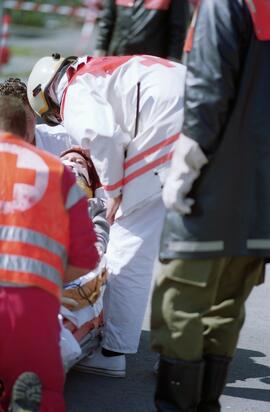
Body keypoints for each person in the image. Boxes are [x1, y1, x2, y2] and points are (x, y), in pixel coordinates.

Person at [27, 53, 186, 377]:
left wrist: (114, 191)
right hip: (208, 117)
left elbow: (104, 136)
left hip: (168, 133)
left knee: (128, 251)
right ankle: (185, 357)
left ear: (49, 94)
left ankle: (113, 352)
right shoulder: (106, 70)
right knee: (193, 252)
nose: (58, 116)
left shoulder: (75, 89)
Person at [150, 0, 270, 410]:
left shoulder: (226, 4)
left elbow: (208, 87)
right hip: (260, 199)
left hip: (216, 184)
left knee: (179, 304)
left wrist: (185, 164)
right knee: (226, 306)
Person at [0, 95, 99, 411]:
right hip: (32, 303)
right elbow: (86, 260)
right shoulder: (58, 172)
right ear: (29, 127)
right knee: (43, 391)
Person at [94, 0, 190, 61]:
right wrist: (100, 51)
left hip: (153, 64)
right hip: (117, 59)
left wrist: (173, 60)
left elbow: (178, 29)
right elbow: (107, 21)